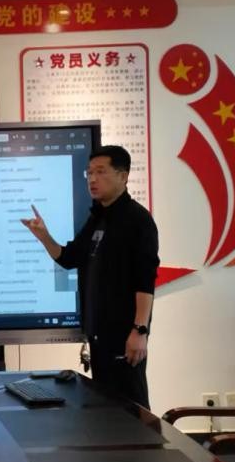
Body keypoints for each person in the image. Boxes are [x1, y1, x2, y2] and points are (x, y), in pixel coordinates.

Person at [21, 145, 158, 407]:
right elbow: (68, 258)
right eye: (89, 173)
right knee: (106, 407)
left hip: (124, 336)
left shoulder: (138, 220)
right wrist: (44, 237)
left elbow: (145, 279)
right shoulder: (98, 218)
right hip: (99, 335)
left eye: (101, 172)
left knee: (131, 407)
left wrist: (140, 330)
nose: (92, 179)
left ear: (123, 176)